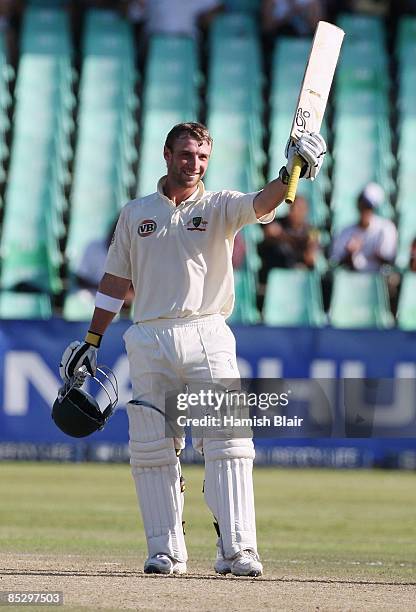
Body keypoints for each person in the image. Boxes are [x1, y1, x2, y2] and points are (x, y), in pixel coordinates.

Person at [59, 122, 326, 577]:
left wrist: (291, 172)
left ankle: (238, 550)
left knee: (229, 442)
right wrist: (92, 339)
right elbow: (114, 281)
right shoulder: (135, 214)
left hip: (207, 332)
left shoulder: (220, 206)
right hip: (147, 336)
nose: (194, 164)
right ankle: (165, 551)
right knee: (151, 448)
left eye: (202, 157)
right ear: (166, 155)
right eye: (186, 155)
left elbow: (264, 203)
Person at [330, 182, 397, 272]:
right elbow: (335, 261)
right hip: (352, 280)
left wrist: (374, 252)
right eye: (363, 205)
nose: (365, 210)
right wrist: (350, 253)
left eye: (369, 207)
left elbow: (389, 260)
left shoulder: (386, 229)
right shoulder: (345, 231)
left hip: (379, 281)